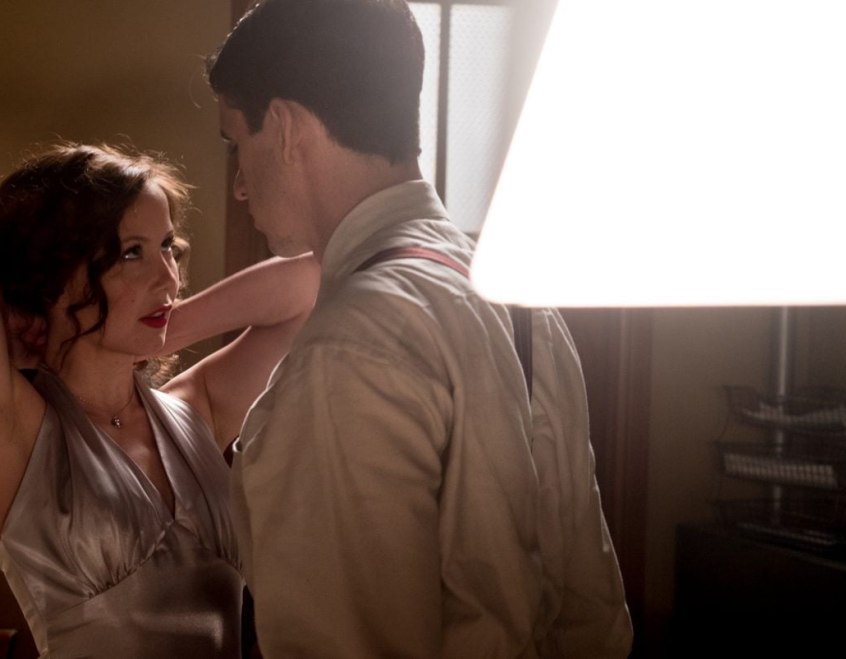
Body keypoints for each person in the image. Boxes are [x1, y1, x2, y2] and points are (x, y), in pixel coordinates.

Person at [206, 0, 633, 657]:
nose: (239, 185)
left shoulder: (346, 350)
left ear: (286, 128)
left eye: (238, 143)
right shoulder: (520, 306)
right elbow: (591, 611)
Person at [0, 143, 318, 657]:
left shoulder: (195, 410)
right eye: (130, 253)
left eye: (167, 246)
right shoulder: (11, 431)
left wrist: (157, 329)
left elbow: (313, 282)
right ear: (52, 272)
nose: (168, 277)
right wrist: (18, 311)